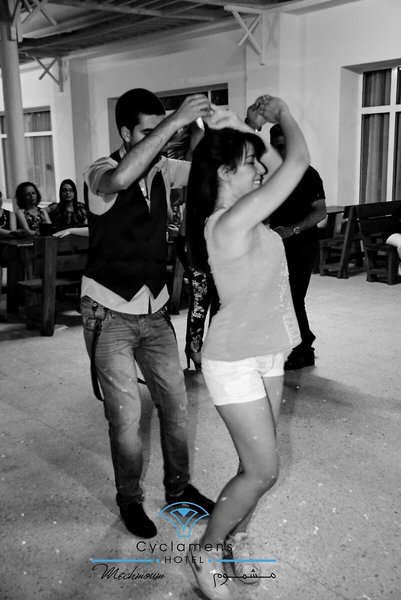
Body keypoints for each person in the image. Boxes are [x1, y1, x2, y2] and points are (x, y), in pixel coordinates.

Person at [185, 95, 309, 600]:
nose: (260, 169)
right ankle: (206, 550)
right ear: (223, 173)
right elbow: (295, 165)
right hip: (234, 361)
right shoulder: (227, 223)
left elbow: (285, 172)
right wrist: (282, 114)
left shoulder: (248, 215)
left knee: (252, 466)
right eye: (249, 164)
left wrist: (240, 126)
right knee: (264, 470)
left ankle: (237, 537)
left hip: (269, 353)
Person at [82, 88, 214, 539]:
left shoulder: (164, 169)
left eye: (161, 129)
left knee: (175, 407)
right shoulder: (98, 170)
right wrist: (174, 122)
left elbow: (206, 172)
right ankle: (130, 500)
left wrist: (214, 129)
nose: (159, 138)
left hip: (154, 310)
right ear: (125, 133)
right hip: (108, 311)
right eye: (147, 131)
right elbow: (120, 179)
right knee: (125, 418)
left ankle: (178, 489)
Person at [269, 123, 326, 370]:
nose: (280, 152)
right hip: (276, 246)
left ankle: (304, 349)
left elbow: (320, 212)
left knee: (293, 297)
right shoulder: (271, 173)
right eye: (275, 146)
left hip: (302, 245)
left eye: (284, 146)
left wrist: (291, 230)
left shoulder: (308, 174)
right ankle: (295, 343)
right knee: (280, 298)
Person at [176, 205, 220, 371]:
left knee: (220, 304)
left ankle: (213, 350)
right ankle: (194, 348)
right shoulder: (199, 200)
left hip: (220, 251)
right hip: (196, 249)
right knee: (200, 301)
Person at [0, 190, 17, 322]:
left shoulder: (9, 214)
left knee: (16, 261)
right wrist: (10, 233)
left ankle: (14, 305)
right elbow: (11, 233)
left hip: (7, 249)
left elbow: (14, 232)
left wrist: (11, 234)